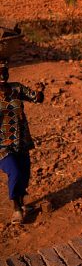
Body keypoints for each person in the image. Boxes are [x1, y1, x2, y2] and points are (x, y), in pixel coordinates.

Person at [0, 62, 44, 224]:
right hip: (2, 144)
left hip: (21, 140)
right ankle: (16, 208)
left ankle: (22, 203)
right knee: (15, 172)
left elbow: (37, 98)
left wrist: (40, 90)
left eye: (5, 73)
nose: (2, 77)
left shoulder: (17, 88)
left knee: (24, 174)